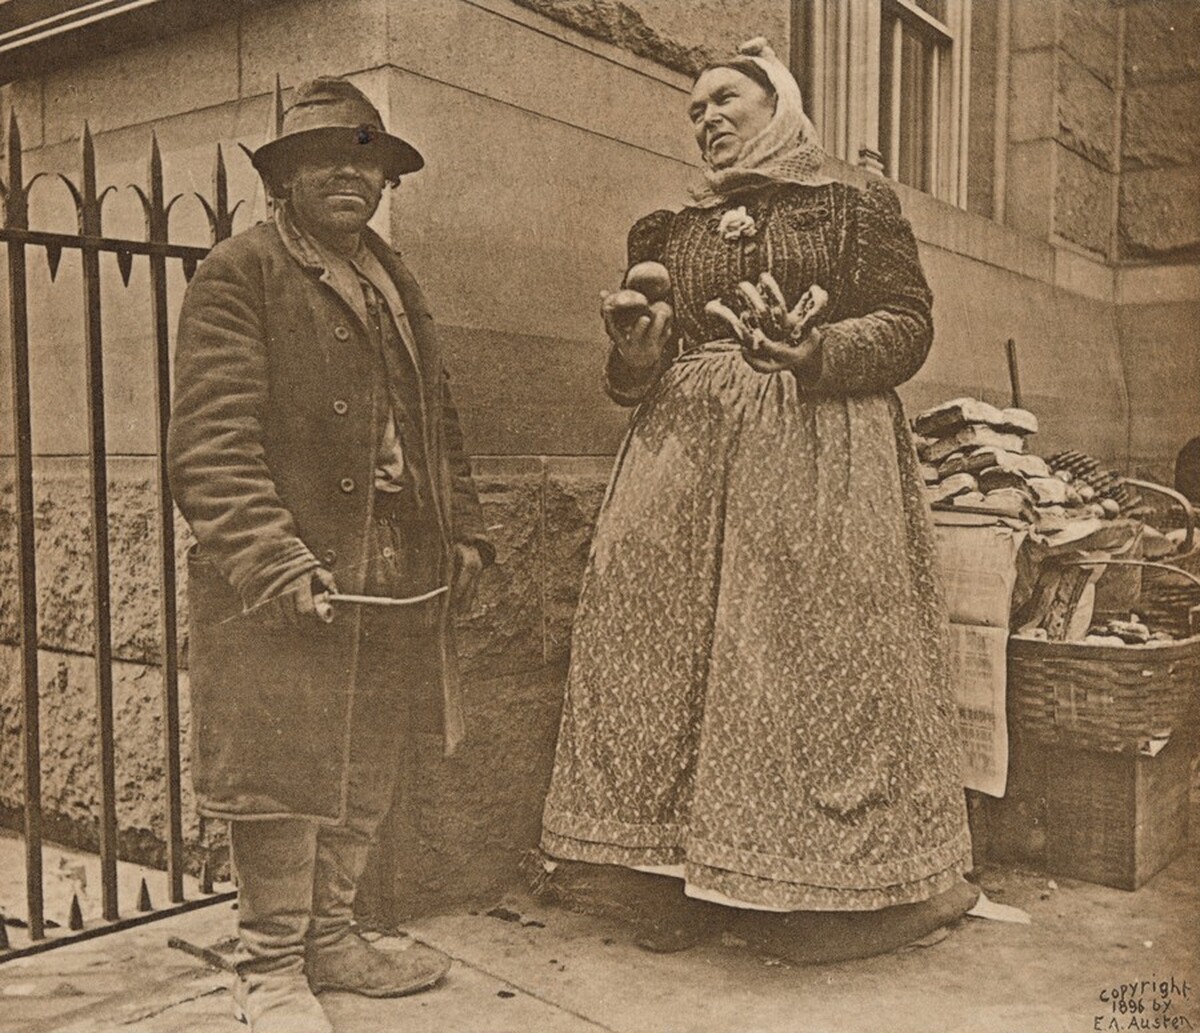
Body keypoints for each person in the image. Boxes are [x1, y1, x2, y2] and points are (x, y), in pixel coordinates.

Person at [539, 39, 978, 960]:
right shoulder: (665, 232)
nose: (706, 118)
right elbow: (636, 377)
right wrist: (637, 349)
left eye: (725, 98)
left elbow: (907, 324)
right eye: (694, 110)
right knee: (662, 650)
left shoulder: (852, 204)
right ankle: (674, 873)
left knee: (808, 657)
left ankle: (835, 889)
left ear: (777, 104)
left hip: (815, 453)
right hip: (682, 470)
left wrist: (813, 354)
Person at [168, 77, 492, 1032]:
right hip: (290, 570)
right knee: (281, 761)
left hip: (393, 563)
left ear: (386, 178)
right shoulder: (243, 272)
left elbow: (439, 421)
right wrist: (273, 563)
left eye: (367, 158)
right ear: (284, 180)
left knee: (369, 745)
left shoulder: (393, 280)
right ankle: (269, 963)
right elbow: (211, 445)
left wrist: (463, 527)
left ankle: (334, 937)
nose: (349, 175)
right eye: (324, 159)